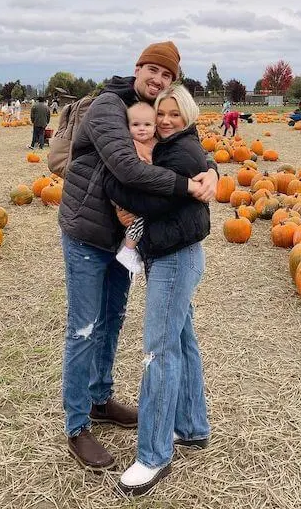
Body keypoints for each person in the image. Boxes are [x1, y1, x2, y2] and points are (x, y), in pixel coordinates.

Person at [58, 41, 218, 472]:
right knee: (84, 328)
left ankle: (100, 399)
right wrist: (188, 187)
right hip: (88, 234)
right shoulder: (110, 107)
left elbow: (188, 141)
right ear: (137, 68)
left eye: (166, 75)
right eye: (152, 70)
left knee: (111, 321)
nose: (158, 79)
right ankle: (76, 426)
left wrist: (211, 172)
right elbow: (127, 170)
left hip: (121, 240)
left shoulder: (156, 110)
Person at [103, 84, 211, 495]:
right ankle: (193, 427)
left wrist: (114, 187)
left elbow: (152, 199)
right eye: (160, 113)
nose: (165, 120)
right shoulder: (174, 148)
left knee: (157, 351)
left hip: (174, 258)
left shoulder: (180, 152)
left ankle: (153, 455)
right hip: (175, 254)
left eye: (173, 114)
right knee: (181, 341)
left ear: (187, 115)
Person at [114, 101, 158, 275]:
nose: (142, 129)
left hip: (147, 191)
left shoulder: (155, 143)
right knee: (139, 220)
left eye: (147, 125)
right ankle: (128, 249)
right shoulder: (130, 145)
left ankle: (130, 247)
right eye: (136, 125)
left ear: (155, 127)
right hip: (134, 192)